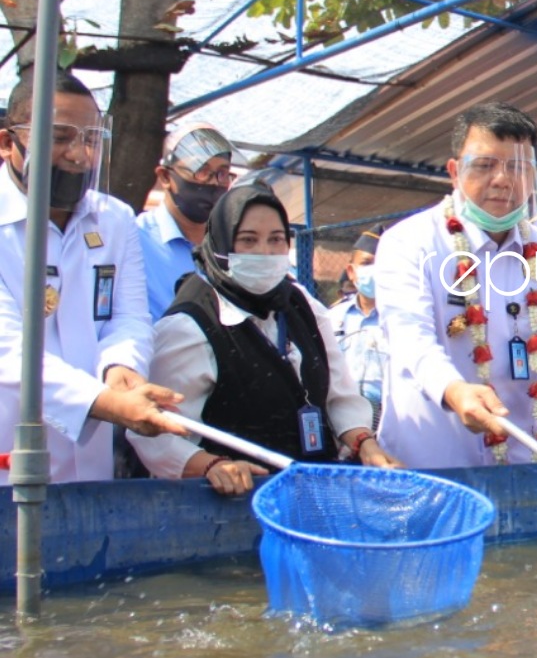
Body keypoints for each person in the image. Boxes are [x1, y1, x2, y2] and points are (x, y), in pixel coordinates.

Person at [128, 184, 400, 495]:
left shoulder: (302, 307)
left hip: (312, 496)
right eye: (248, 240)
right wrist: (209, 465)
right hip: (228, 509)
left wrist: (362, 441)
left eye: (276, 240)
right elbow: (155, 430)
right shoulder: (190, 325)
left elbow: (339, 396)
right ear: (221, 244)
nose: (265, 253)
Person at [375, 101, 537, 467]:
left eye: (518, 167)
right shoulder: (410, 242)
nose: (503, 180)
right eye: (484, 165)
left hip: (525, 455)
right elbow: (410, 337)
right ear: (453, 171)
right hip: (430, 460)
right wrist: (455, 390)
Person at [0, 70, 187, 484]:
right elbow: (7, 353)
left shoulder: (114, 219)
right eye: (60, 137)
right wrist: (107, 403)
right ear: (7, 142)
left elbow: (130, 315)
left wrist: (121, 366)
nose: (79, 154)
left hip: (91, 463)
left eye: (90, 138)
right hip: (10, 453)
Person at [136, 123, 235, 321]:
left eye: (222, 173)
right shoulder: (134, 240)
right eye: (200, 169)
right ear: (165, 176)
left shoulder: (238, 243)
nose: (214, 182)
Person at [328, 225, 389, 429]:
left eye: (382, 264)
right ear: (351, 272)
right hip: (340, 421)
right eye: (366, 263)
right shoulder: (332, 317)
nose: (375, 270)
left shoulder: (404, 319)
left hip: (389, 422)